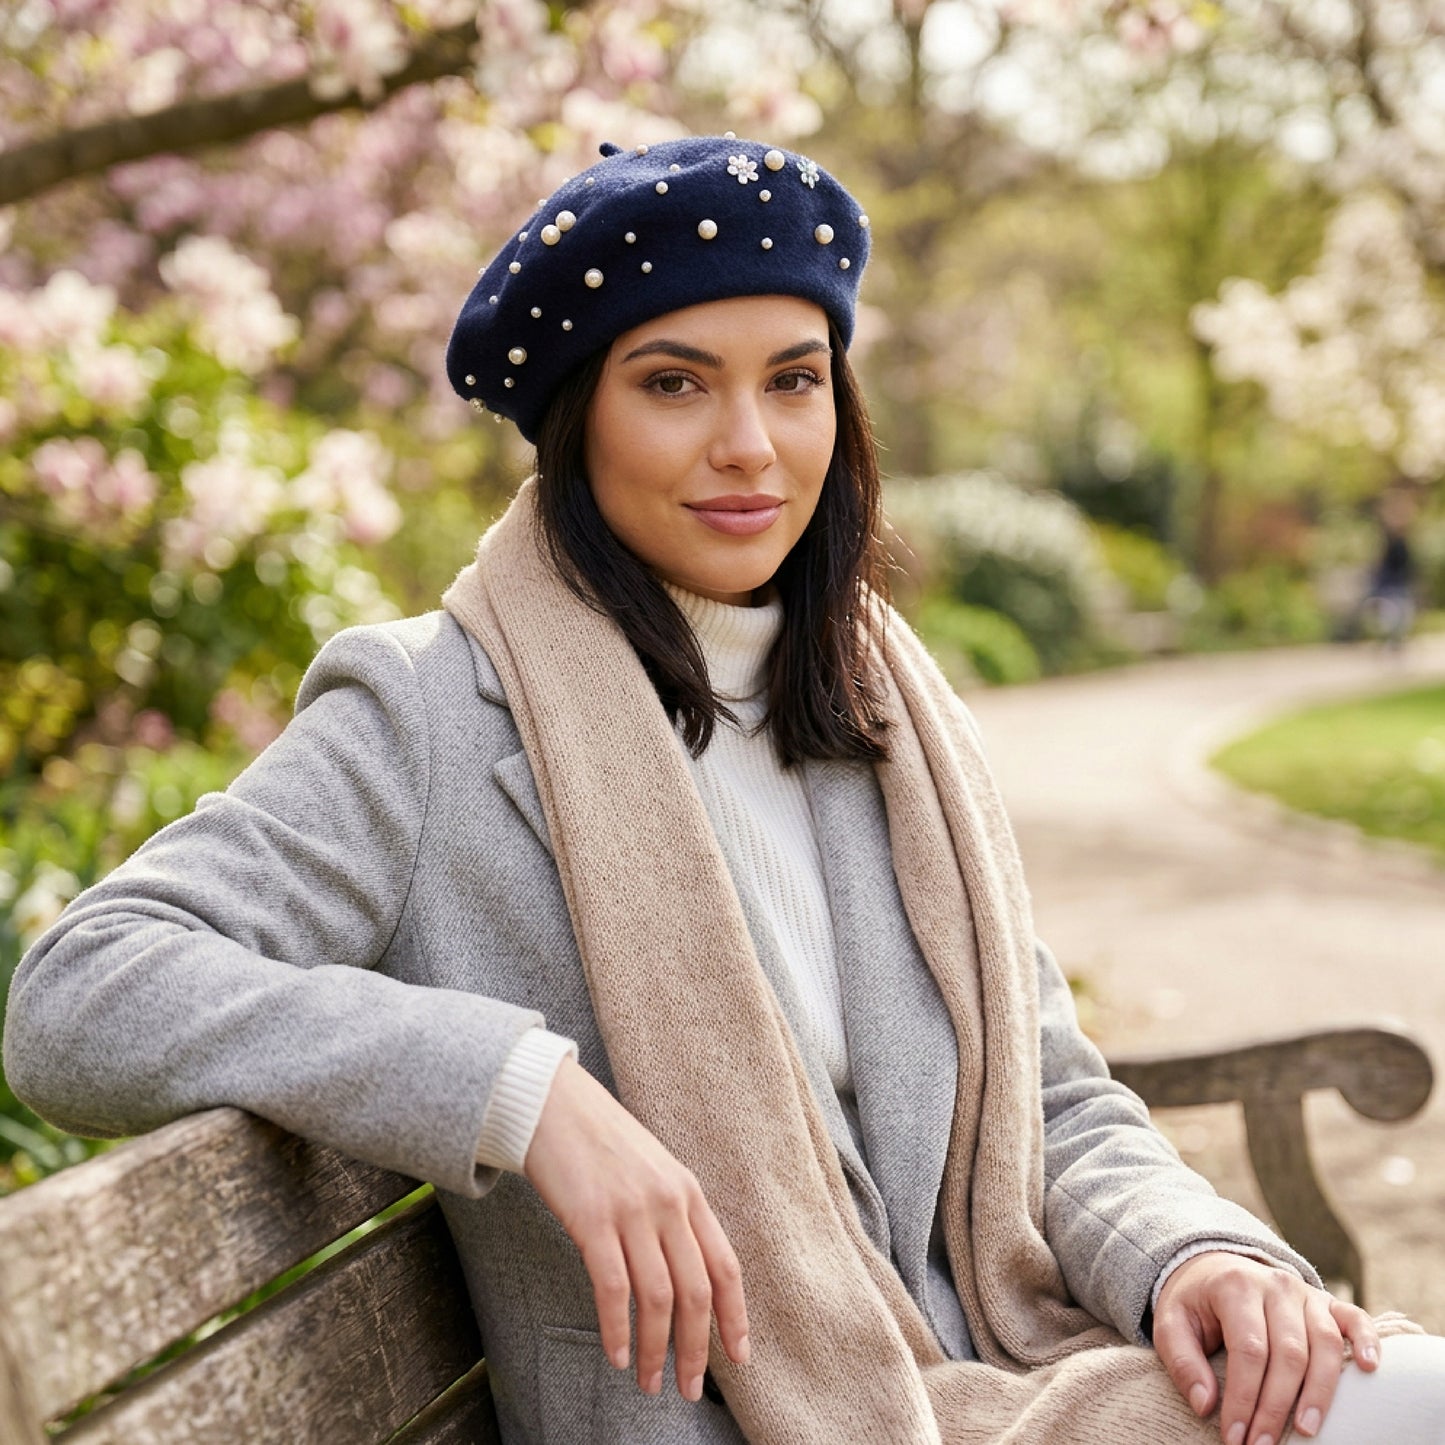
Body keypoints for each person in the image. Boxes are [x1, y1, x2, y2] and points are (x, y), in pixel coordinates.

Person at [5, 135, 1443, 1445]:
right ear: (579, 419)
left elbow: (1051, 1104)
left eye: (794, 378)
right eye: (675, 382)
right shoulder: (428, 712)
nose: (751, 443)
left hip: (1015, 1386)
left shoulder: (879, 702)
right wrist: (521, 1089)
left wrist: (1191, 1252)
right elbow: (81, 991)